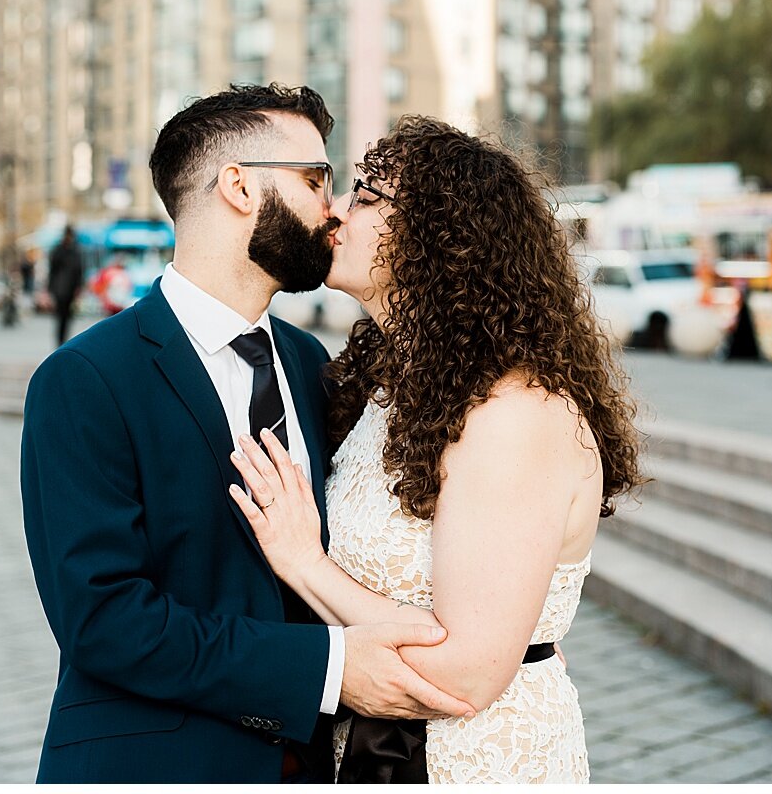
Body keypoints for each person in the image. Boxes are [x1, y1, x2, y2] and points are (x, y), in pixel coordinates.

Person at [20, 85, 475, 784]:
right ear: (238, 186)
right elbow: (103, 621)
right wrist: (329, 672)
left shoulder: (308, 364)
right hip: (156, 764)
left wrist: (514, 635)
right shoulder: (84, 380)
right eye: (314, 180)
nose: (333, 208)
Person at [226, 116, 646, 783]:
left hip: (474, 761)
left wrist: (304, 562)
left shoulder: (515, 416)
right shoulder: (386, 389)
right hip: (367, 747)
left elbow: (469, 673)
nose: (334, 211)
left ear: (439, 238)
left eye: (365, 197)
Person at [46, 227, 83, 347]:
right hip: (59, 289)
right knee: (60, 317)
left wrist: (79, 288)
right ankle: (60, 342)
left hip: (70, 289)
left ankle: (63, 341)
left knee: (67, 317)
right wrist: (50, 288)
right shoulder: (59, 250)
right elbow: (52, 270)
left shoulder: (75, 251)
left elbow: (80, 271)